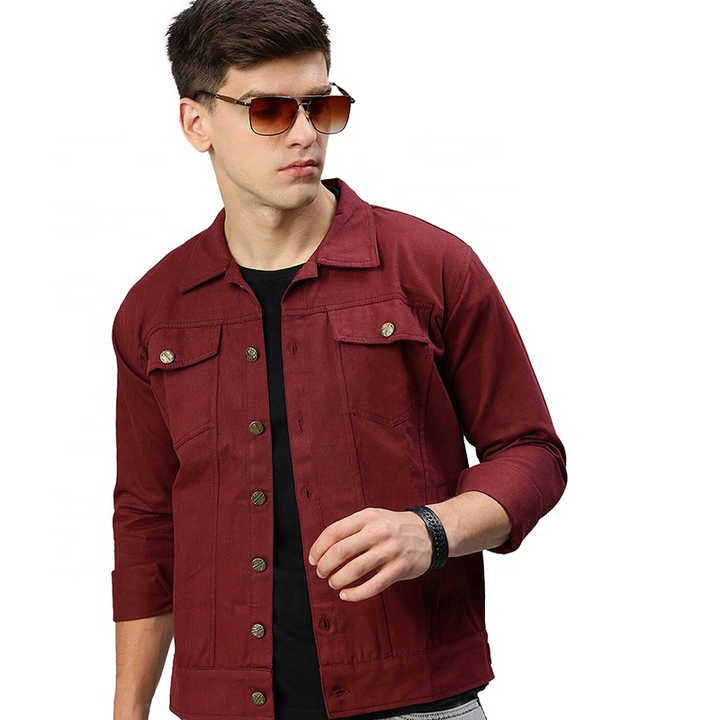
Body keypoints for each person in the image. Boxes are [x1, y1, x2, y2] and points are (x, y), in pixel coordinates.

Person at [110, 2, 568, 719]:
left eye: (320, 106)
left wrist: (433, 530)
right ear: (196, 124)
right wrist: (126, 710)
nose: (305, 134)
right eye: (268, 110)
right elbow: (145, 522)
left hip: (414, 698)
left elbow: (532, 452)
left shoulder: (430, 267)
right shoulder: (154, 309)